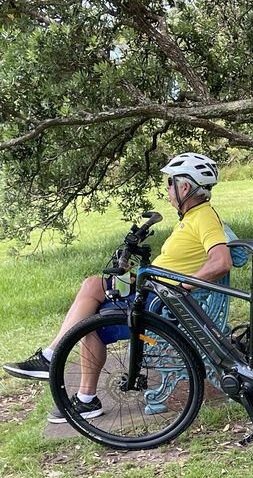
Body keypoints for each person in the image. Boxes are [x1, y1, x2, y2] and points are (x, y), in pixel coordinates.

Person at [2, 152, 233, 422]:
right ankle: (55, 361)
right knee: (93, 286)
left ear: (185, 187)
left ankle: (76, 387)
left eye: (171, 182)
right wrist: (138, 279)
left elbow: (221, 262)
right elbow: (181, 263)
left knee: (93, 321)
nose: (167, 188)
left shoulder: (203, 217)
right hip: (155, 292)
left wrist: (178, 287)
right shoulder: (192, 216)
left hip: (162, 305)